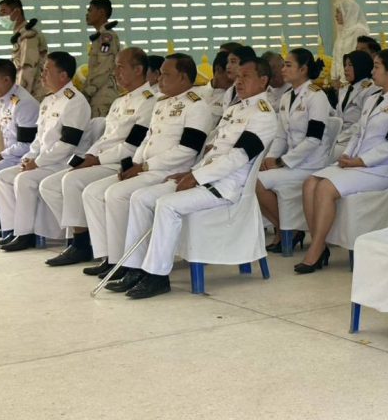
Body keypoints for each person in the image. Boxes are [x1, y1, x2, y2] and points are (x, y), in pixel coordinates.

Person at [113, 55, 279, 299]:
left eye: (246, 76)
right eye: (238, 76)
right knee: (141, 197)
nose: (239, 81)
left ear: (263, 80)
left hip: (225, 188)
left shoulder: (262, 114)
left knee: (166, 205)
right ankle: (134, 268)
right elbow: (213, 151)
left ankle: (157, 276)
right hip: (204, 178)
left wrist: (197, 177)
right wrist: (192, 172)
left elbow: (237, 158)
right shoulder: (235, 108)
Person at [81, 54, 214, 280]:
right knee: (92, 192)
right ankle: (111, 258)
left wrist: (144, 166)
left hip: (168, 172)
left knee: (117, 194)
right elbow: (147, 139)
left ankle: (130, 264)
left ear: (183, 77)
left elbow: (188, 150)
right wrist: (134, 163)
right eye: (160, 74)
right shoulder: (161, 103)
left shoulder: (197, 106)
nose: (159, 79)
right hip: (146, 168)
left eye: (166, 74)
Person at [295, 49, 388, 274]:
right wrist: (348, 156)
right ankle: (320, 245)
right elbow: (358, 133)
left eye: (377, 67)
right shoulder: (372, 98)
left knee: (325, 188)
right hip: (358, 164)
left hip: (380, 170)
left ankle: (316, 249)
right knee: (310, 183)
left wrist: (361, 161)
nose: (372, 72)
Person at [38, 48, 158, 266]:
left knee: (72, 180)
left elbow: (132, 145)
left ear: (138, 70)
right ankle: (86, 237)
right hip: (101, 158)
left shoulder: (149, 102)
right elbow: (105, 138)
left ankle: (81, 245)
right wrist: (90, 155)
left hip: (120, 163)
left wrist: (96, 160)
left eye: (120, 67)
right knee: (49, 185)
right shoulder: (119, 101)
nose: (115, 72)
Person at [0, 52, 90, 252]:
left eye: (47, 70)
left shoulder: (75, 101)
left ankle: (26, 235)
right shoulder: (48, 101)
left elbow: (67, 144)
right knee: (3, 177)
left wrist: (37, 163)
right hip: (43, 160)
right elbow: (39, 138)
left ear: (63, 75)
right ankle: (11, 230)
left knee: (24, 179)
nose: (42, 74)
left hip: (63, 162)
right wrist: (29, 157)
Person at [256, 48, 332, 252]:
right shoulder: (287, 97)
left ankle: (286, 230)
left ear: (303, 69)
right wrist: (270, 158)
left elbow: (313, 139)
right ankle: (286, 229)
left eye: (288, 65)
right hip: (292, 164)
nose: (283, 69)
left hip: (310, 165)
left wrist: (281, 161)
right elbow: (281, 135)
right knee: (254, 178)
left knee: (257, 183)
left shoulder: (317, 96)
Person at [0, 59, 39, 239]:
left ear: (6, 80)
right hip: (12, 154)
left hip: (26, 157)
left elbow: (27, 144)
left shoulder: (24, 103)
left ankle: (5, 223)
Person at [0, 0, 48, 100]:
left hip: (33, 95)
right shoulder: (20, 34)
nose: (1, 17)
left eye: (4, 12)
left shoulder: (28, 35)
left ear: (16, 11)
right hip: (28, 94)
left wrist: (18, 99)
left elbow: (27, 69)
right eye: (0, 13)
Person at [330, 50, 378, 160]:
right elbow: (338, 116)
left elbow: (363, 123)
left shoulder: (371, 89)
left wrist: (339, 138)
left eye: (350, 65)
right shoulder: (345, 88)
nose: (346, 69)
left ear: (360, 66)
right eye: (345, 65)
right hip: (338, 138)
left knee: (322, 156)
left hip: (353, 140)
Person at [82, 0, 121, 117]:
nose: (87, 14)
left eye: (90, 10)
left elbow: (104, 67)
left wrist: (88, 91)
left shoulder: (106, 36)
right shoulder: (99, 36)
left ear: (101, 12)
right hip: (97, 93)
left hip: (103, 94)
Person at [331, 0, 370, 89]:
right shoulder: (342, 31)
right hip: (339, 82)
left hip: (354, 81)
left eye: (338, 12)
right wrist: (334, 78)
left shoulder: (359, 31)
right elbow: (336, 57)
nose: (335, 15)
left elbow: (357, 59)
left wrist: (344, 80)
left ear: (348, 12)